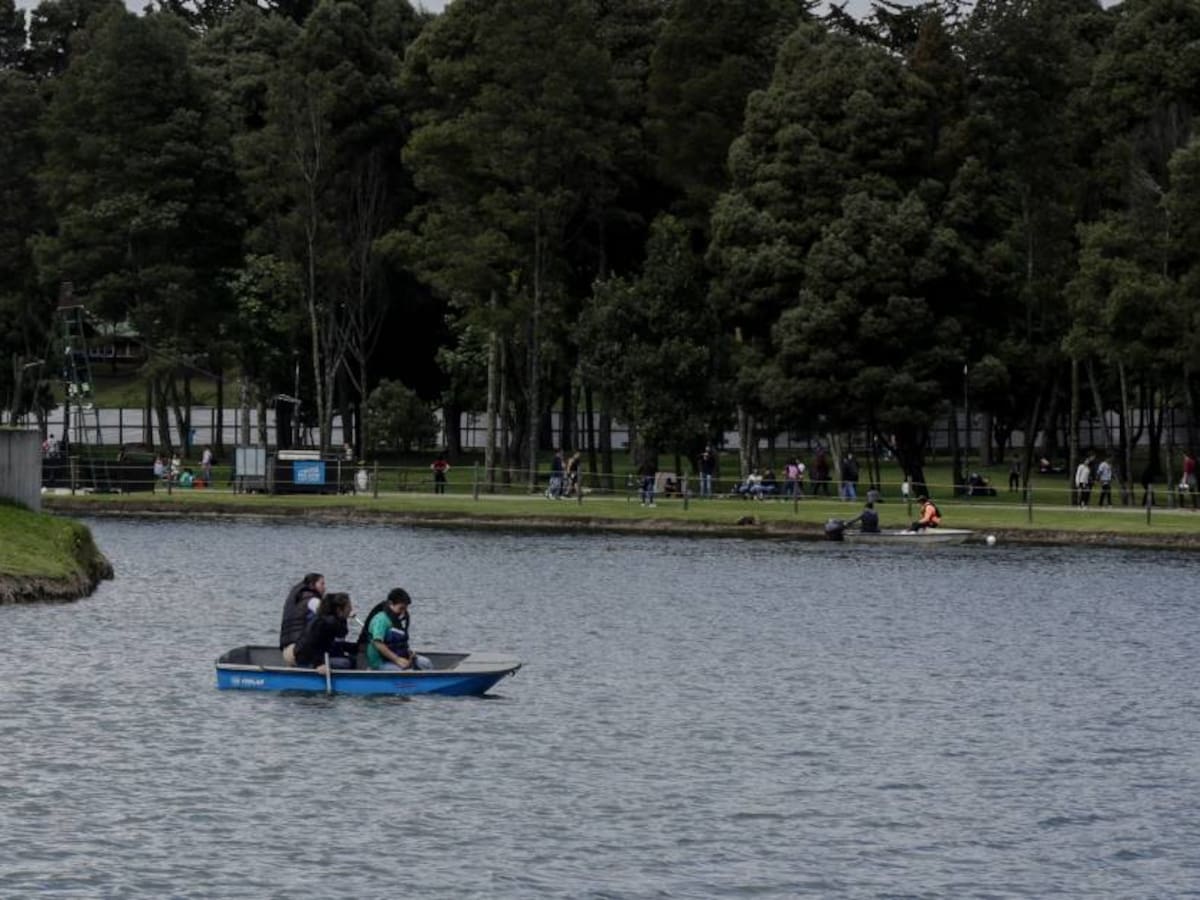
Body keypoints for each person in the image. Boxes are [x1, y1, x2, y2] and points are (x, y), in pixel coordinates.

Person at [366, 588, 432, 671]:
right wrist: (397, 660)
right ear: (391, 603)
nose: (404, 612)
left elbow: (399, 643)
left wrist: (409, 653)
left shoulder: (398, 620)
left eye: (406, 608)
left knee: (426, 663)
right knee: (408, 672)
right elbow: (378, 643)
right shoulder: (381, 620)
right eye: (401, 608)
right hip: (381, 662)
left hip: (398, 657)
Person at [292, 592, 356, 671]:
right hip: (308, 660)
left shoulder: (325, 619)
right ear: (339, 609)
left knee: (350, 658)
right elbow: (314, 644)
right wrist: (318, 664)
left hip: (305, 656)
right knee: (347, 662)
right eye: (348, 607)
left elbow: (333, 644)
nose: (351, 609)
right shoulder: (330, 623)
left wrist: (355, 647)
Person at [279, 573, 326, 666]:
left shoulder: (297, 597)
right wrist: (343, 611)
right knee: (344, 662)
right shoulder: (311, 599)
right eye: (322, 584)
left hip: (287, 650)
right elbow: (327, 613)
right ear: (312, 585)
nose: (325, 588)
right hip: (299, 651)